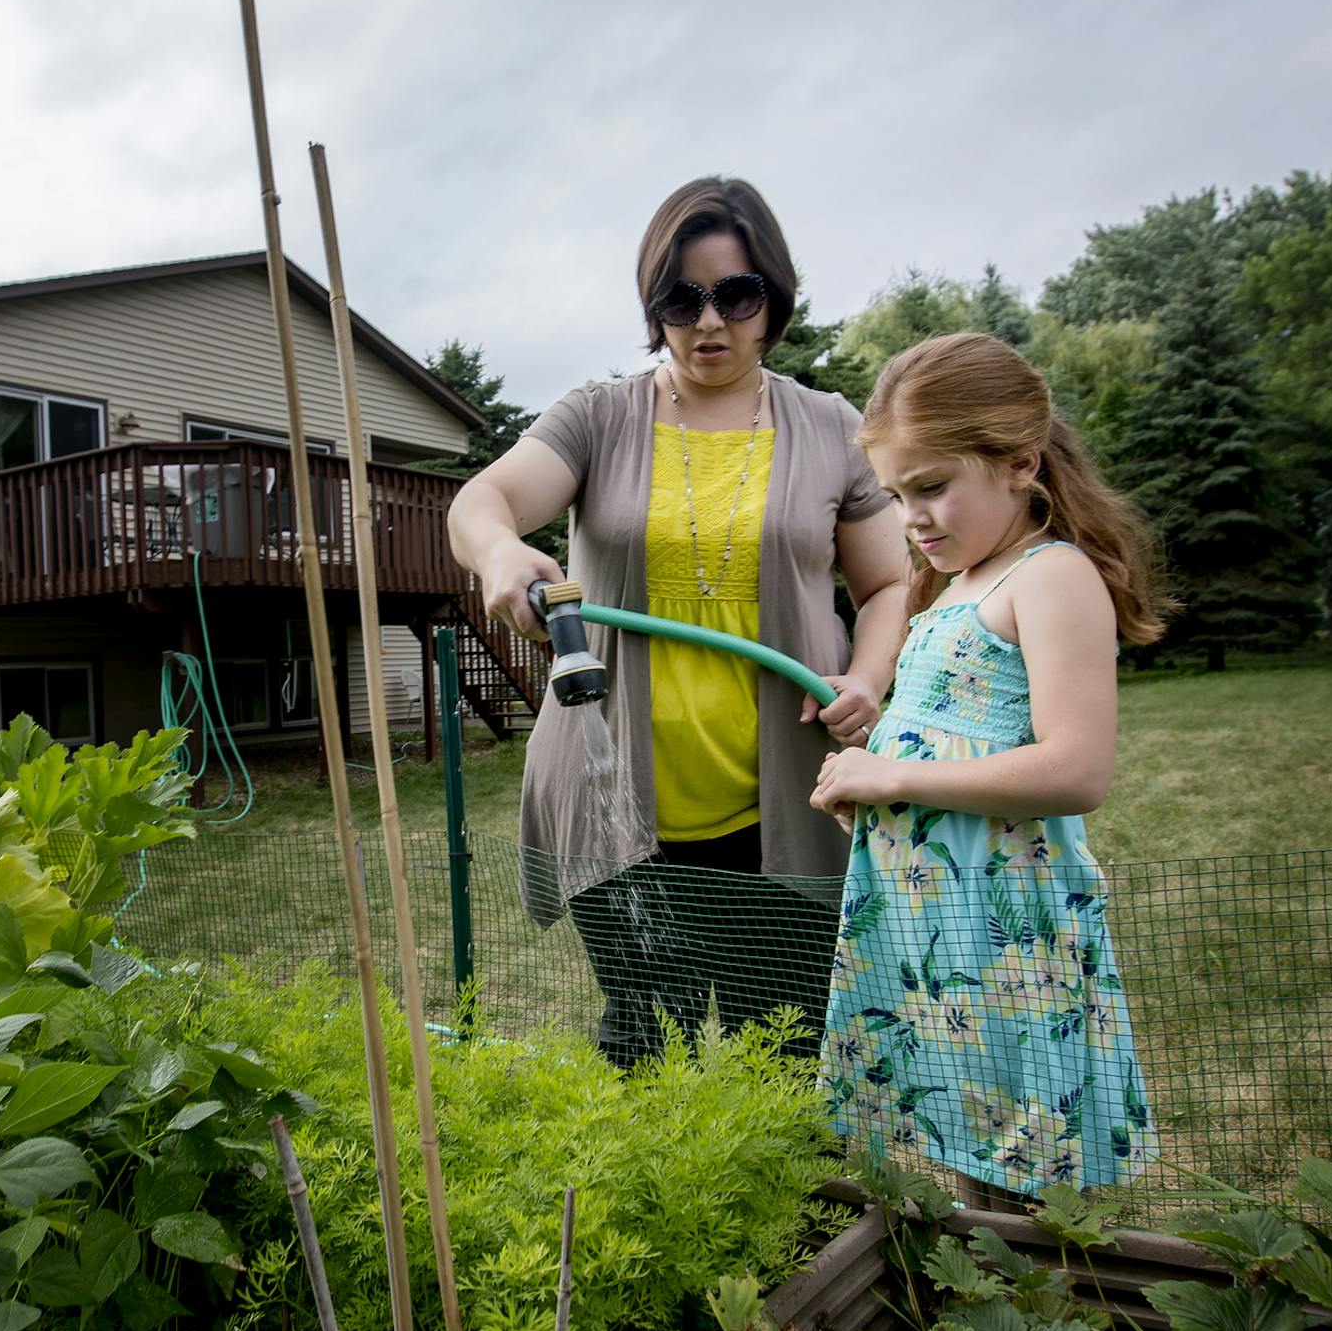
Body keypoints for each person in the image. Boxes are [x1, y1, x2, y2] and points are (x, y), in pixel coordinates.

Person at [447, 177, 910, 1067]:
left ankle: (801, 1214)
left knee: (779, 1056)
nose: (709, 323)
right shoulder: (597, 418)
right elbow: (485, 499)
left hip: (785, 802)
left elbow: (889, 581)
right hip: (611, 797)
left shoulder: (829, 427)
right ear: (653, 306)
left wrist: (870, 675)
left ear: (772, 298)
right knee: (643, 1053)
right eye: (680, 299)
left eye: (736, 295)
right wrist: (500, 553)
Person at [811, 331, 1174, 1202]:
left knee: (1021, 1165)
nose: (912, 519)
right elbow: (951, 739)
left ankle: (1040, 1326)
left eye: (932, 487)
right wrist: (871, 776)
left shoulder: (1049, 578)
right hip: (932, 932)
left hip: (1002, 935)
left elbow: (1076, 769)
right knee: (967, 1147)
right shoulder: (958, 585)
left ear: (1020, 462)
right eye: (897, 495)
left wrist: (892, 779)